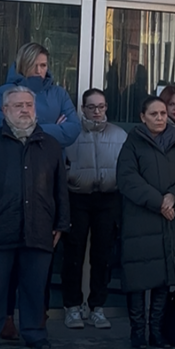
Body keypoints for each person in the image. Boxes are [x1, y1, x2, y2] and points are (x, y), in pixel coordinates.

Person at [0, 85, 70, 349]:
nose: (25, 110)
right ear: (5, 111)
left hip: (39, 228)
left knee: (35, 288)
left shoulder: (50, 145)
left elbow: (60, 188)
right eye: (18, 105)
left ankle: (35, 333)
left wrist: (61, 223)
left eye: (29, 105)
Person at [0, 42, 79, 338]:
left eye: (44, 65)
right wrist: (51, 126)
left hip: (45, 181)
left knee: (39, 261)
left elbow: (73, 130)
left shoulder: (59, 93)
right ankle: (5, 318)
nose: (41, 71)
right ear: (23, 64)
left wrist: (32, 126)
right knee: (10, 264)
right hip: (11, 182)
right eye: (36, 65)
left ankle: (37, 320)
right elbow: (2, 126)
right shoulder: (2, 93)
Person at [116, 96, 175, 349]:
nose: (161, 118)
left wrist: (172, 197)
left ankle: (157, 332)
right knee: (140, 278)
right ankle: (138, 332)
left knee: (164, 277)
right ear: (142, 117)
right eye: (154, 114)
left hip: (171, 220)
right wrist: (159, 202)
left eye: (163, 113)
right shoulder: (133, 143)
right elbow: (127, 178)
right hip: (142, 220)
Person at [61, 88, 127, 331]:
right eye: (92, 107)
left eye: (101, 106)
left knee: (103, 255)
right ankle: (72, 307)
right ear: (83, 109)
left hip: (108, 198)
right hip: (77, 197)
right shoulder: (71, 133)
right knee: (73, 255)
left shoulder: (119, 135)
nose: (97, 111)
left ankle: (97, 307)